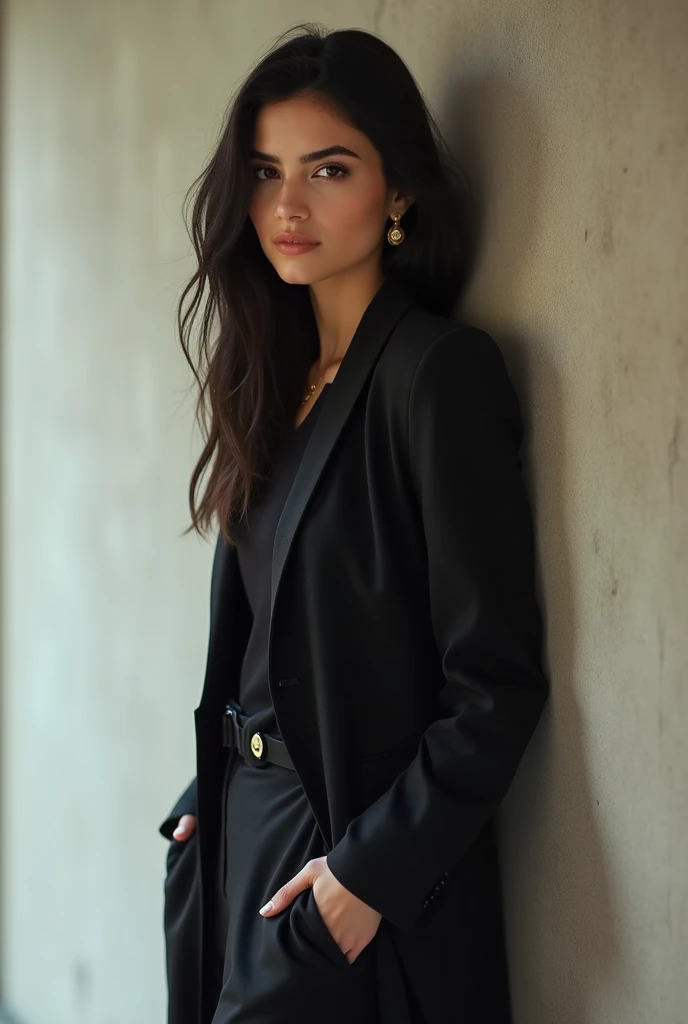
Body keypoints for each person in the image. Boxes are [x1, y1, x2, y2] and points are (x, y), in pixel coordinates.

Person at [157, 22, 550, 1024]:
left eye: (327, 169)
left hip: (342, 869)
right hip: (238, 846)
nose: (286, 206)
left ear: (399, 194)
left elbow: (494, 685)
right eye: (265, 170)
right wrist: (204, 803)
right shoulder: (271, 382)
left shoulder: (434, 377)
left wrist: (365, 876)